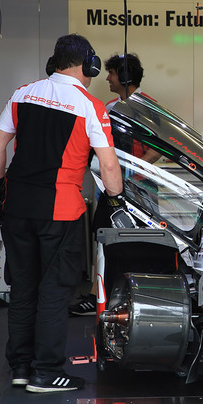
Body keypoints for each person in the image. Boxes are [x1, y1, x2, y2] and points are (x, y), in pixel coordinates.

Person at [0, 34, 126, 393]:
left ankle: (20, 366)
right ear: (88, 66)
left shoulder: (23, 93)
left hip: (16, 207)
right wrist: (115, 200)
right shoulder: (90, 106)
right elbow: (109, 168)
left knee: (22, 288)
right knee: (53, 291)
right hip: (60, 211)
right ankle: (45, 373)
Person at [69, 53, 159, 316]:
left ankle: (140, 297)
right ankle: (98, 297)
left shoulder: (148, 107)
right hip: (111, 186)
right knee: (104, 235)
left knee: (142, 240)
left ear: (125, 76)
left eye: (111, 73)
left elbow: (157, 150)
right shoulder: (109, 107)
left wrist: (130, 175)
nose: (106, 77)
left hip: (141, 189)